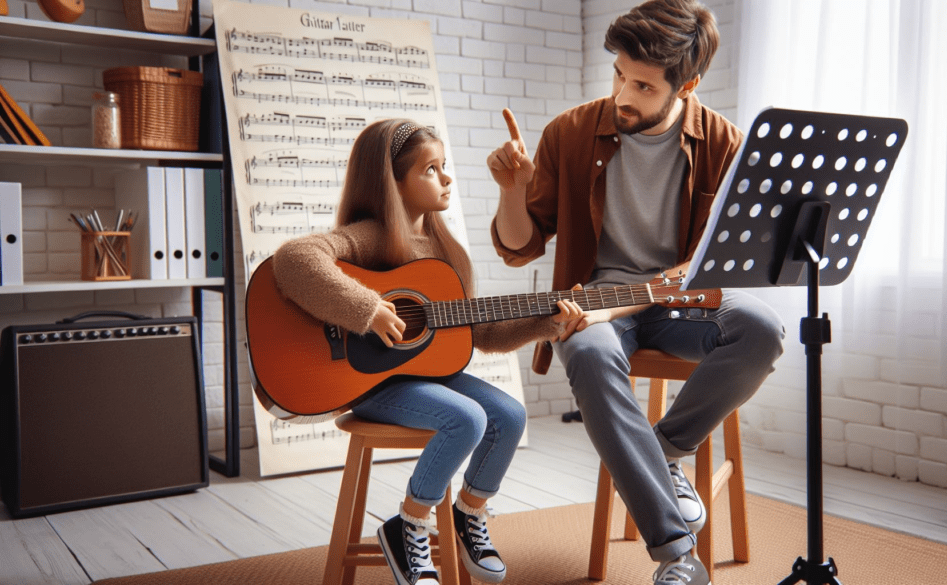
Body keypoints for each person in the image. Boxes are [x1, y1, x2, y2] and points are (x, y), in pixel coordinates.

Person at [486, 1, 786, 584]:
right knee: (593, 353)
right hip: (596, 301)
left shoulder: (724, 143)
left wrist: (626, 299)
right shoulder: (571, 133)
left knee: (762, 329)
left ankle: (662, 450)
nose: (623, 93)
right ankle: (678, 555)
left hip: (679, 302)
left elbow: (705, 269)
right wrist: (512, 190)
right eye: (618, 74)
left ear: (688, 84)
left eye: (643, 85)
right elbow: (520, 247)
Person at [273, 118, 582, 585]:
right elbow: (294, 259)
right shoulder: (371, 235)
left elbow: (481, 333)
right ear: (391, 182)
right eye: (430, 169)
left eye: (444, 166)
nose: (446, 177)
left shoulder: (447, 251)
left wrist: (547, 322)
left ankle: (467, 513)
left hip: (430, 377)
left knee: (510, 415)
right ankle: (409, 524)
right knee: (468, 418)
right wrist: (367, 308)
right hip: (374, 382)